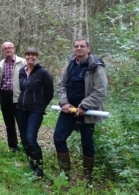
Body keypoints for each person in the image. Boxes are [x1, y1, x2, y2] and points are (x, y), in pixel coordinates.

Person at [53, 37, 108, 186]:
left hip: (87, 112)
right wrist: (64, 102)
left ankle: (87, 177)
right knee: (58, 138)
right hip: (68, 110)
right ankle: (64, 173)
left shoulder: (96, 66)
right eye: (76, 46)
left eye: (82, 46)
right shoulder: (70, 64)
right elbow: (61, 85)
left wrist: (84, 106)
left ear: (88, 49)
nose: (78, 48)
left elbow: (100, 90)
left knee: (87, 143)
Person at [16, 47, 54, 178]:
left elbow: (49, 93)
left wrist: (41, 105)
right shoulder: (22, 71)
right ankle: (31, 162)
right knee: (24, 139)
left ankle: (40, 167)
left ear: (37, 57)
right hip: (21, 109)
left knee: (31, 138)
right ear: (25, 56)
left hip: (35, 111)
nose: (30, 57)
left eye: (33, 55)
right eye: (28, 55)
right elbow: (22, 89)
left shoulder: (43, 72)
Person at [0, 42, 27, 152]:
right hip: (4, 95)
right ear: (3, 51)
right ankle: (13, 146)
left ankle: (26, 146)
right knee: (9, 123)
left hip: (18, 96)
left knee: (21, 123)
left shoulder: (22, 62)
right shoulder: (1, 64)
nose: (8, 50)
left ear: (14, 49)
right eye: (5, 48)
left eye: (10, 48)